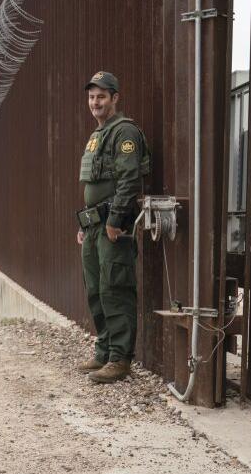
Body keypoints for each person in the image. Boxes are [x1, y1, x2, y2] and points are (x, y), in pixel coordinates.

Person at [75, 70, 150, 383]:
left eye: (102, 96)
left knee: (115, 289)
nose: (96, 102)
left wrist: (116, 220)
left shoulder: (124, 132)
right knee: (95, 289)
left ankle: (120, 359)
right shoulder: (97, 135)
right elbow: (94, 183)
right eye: (92, 97)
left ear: (115, 98)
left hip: (112, 225)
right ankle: (104, 350)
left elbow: (129, 179)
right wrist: (85, 224)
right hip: (94, 226)